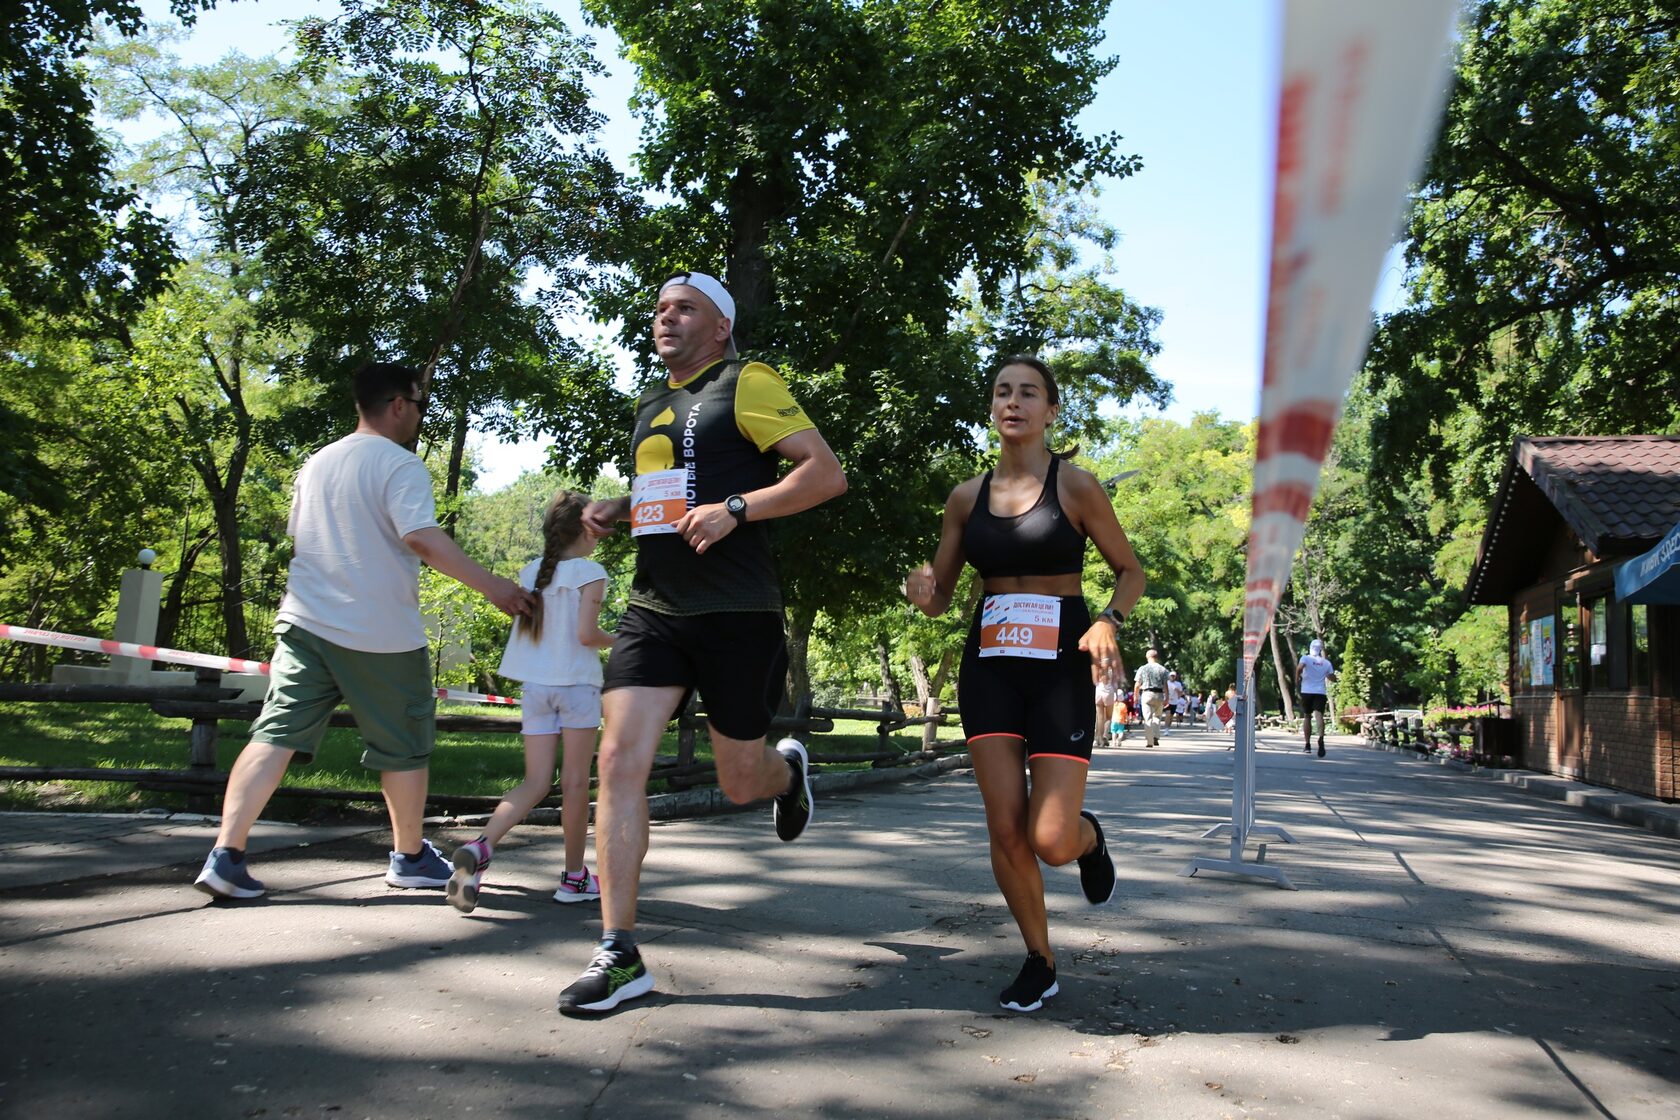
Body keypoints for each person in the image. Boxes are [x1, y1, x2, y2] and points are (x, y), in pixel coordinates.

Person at [556, 271, 847, 1016]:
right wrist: (623, 506)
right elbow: (675, 492)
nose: (666, 319)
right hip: (655, 607)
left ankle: (786, 775)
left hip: (736, 609)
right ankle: (620, 951)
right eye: (658, 309)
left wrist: (738, 509)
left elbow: (825, 474)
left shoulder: (746, 381)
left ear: (720, 325)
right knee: (618, 762)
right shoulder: (651, 403)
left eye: (684, 308)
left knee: (740, 780)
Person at [193, 362, 534, 900]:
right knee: (404, 748)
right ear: (399, 403)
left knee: (274, 734)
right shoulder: (400, 465)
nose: (421, 416)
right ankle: (410, 856)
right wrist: (493, 586)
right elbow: (420, 537)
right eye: (420, 405)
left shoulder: (318, 462)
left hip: (304, 623)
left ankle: (225, 855)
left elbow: (306, 537)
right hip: (379, 634)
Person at [906, 354, 1145, 1014]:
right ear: (993, 407)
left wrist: (1108, 622)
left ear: (1050, 410)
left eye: (1029, 393)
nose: (1014, 402)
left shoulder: (1077, 487)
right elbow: (940, 594)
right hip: (990, 664)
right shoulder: (965, 497)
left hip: (1062, 664)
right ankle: (1039, 958)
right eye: (1003, 392)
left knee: (1050, 838)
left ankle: (1086, 838)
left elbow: (1130, 570)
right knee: (1006, 827)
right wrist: (921, 589)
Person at [446, 490, 616, 914]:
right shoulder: (590, 572)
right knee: (575, 784)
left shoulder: (532, 570)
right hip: (577, 687)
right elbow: (587, 635)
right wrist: (631, 638)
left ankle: (481, 846)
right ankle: (575, 878)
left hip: (535, 690)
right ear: (585, 529)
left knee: (535, 782)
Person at [1296, 638, 1338, 757]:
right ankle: (1321, 738)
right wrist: (1333, 678)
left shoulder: (1306, 658)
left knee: (1307, 717)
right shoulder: (1326, 663)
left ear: (1310, 647)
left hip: (1307, 691)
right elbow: (1331, 677)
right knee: (1319, 715)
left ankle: (1307, 745)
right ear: (1320, 650)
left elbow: (1299, 668)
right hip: (1320, 692)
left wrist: (1297, 679)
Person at [1133, 649, 1169, 747]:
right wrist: (1167, 697)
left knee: (1147, 718)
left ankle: (1149, 741)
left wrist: (1135, 695)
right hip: (1159, 694)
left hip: (1147, 694)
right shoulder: (1163, 669)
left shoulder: (1142, 668)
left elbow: (1137, 684)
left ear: (1147, 657)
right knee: (1157, 717)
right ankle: (1156, 736)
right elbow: (1165, 685)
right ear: (1157, 657)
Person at [1094, 674, 1118, 749]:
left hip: (1098, 691)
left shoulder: (1098, 668)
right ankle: (1104, 736)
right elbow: (1115, 681)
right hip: (1108, 691)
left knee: (1099, 718)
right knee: (1108, 717)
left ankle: (1098, 738)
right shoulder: (1111, 666)